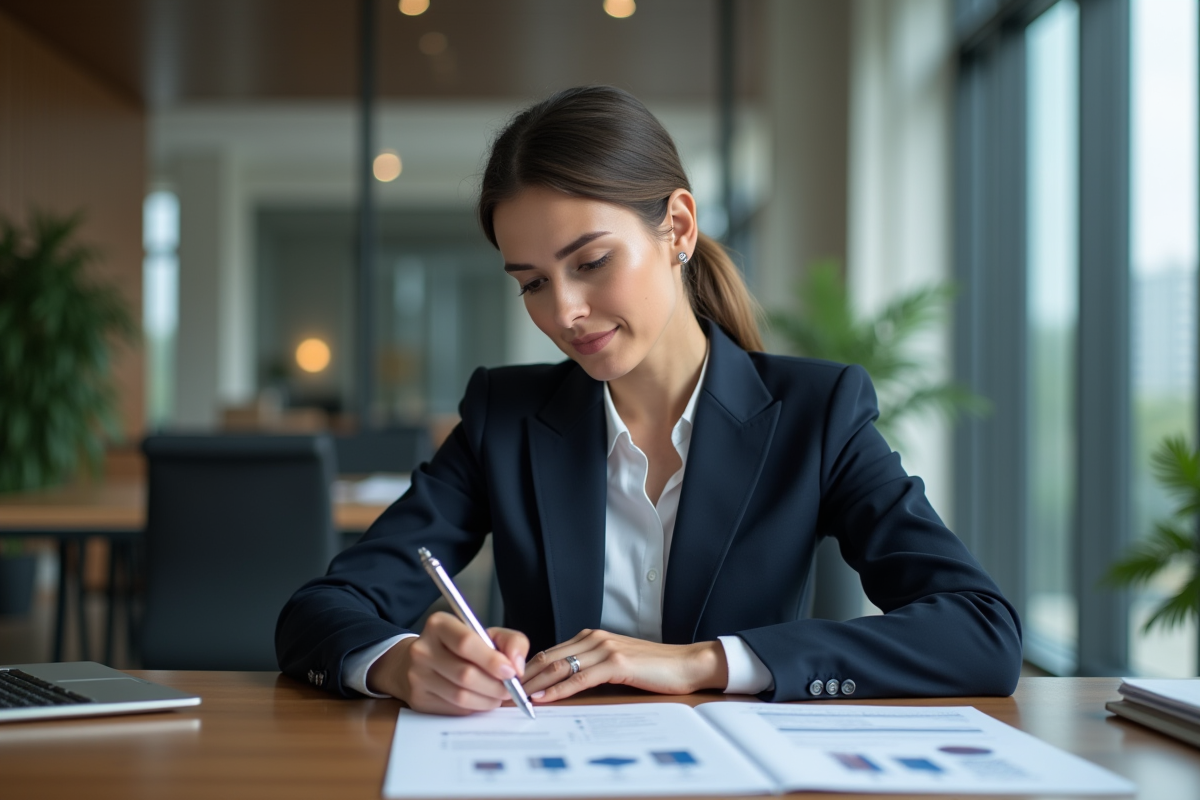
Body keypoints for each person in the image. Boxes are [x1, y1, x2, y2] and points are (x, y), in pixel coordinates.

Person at [276, 86, 1022, 715]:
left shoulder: (816, 412)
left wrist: (704, 662)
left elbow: (980, 631)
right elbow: (318, 612)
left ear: (678, 228)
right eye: (532, 283)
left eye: (592, 261)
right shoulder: (505, 417)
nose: (563, 312)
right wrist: (401, 663)